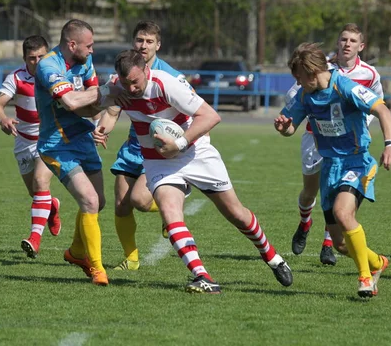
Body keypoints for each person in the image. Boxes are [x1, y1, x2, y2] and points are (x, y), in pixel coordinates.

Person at [100, 49, 292, 294]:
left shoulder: (167, 84)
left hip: (195, 152)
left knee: (236, 214)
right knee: (170, 215)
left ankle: (273, 257)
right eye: (126, 83)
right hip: (159, 161)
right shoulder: (118, 86)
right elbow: (91, 103)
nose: (132, 88)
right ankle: (202, 276)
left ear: (146, 71)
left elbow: (211, 116)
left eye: (135, 82)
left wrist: (178, 144)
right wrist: (104, 100)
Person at [276, 42, 391, 298]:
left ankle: (365, 278)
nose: (297, 82)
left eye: (299, 77)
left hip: (357, 162)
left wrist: (390, 145)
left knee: (343, 212)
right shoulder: (305, 95)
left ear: (311, 72)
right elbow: (290, 128)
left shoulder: (344, 87)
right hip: (330, 168)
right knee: (341, 244)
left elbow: (382, 110)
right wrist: (283, 126)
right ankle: (377, 263)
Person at [92, 21, 186, 271]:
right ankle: (131, 259)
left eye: (149, 41)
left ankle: (172, 206)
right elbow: (112, 112)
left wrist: (178, 143)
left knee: (140, 200)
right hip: (134, 147)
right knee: (122, 203)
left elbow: (191, 112)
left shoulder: (171, 77)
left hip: (160, 151)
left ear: (158, 45)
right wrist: (102, 129)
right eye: (139, 40)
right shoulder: (124, 74)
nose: (143, 45)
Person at [288, 23, 384, 266]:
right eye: (343, 39)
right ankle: (305, 222)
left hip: (347, 143)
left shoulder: (369, 74)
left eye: (352, 41)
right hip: (314, 137)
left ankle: (329, 243)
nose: (347, 44)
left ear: (361, 47)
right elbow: (296, 94)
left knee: (343, 198)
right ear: (337, 43)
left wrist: (362, 122)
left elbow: (378, 103)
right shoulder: (318, 69)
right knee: (311, 191)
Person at [34, 19, 120, 286]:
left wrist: (102, 118)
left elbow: (95, 102)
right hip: (57, 144)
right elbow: (72, 101)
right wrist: (106, 90)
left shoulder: (84, 63)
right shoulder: (48, 65)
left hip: (82, 137)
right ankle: (97, 269)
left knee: (99, 202)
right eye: (89, 45)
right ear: (72, 44)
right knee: (90, 202)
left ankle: (76, 252)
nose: (92, 50)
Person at [0, 35, 62, 259]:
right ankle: (52, 206)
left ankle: (34, 239)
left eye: (42, 56)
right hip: (23, 142)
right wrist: (3, 120)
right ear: (24, 59)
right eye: (32, 58)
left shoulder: (57, 76)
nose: (37, 62)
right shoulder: (17, 77)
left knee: (41, 182)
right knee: (35, 193)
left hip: (48, 140)